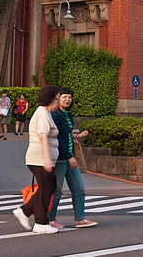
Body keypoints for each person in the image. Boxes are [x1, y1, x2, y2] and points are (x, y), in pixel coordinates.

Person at [13, 85, 61, 235]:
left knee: (47, 187)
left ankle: (26, 212)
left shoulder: (45, 113)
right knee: (47, 188)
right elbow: (42, 135)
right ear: (51, 99)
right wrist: (47, 158)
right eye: (58, 98)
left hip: (41, 157)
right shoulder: (43, 114)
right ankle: (40, 222)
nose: (59, 102)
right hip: (40, 157)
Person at [47, 88, 97, 229]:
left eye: (69, 97)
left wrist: (77, 136)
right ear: (58, 99)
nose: (67, 99)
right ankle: (50, 219)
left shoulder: (67, 115)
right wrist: (69, 156)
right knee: (56, 190)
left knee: (79, 187)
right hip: (60, 159)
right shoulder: (55, 115)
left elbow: (66, 134)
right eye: (64, 97)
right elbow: (58, 138)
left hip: (69, 157)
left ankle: (80, 218)